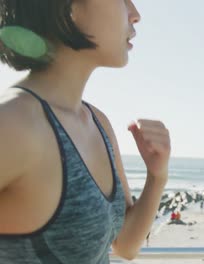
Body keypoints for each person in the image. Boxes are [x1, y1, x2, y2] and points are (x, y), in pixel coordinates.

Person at [0, 0, 171, 263]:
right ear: (66, 6)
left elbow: (125, 244)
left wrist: (157, 176)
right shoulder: (14, 122)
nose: (135, 14)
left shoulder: (97, 122)